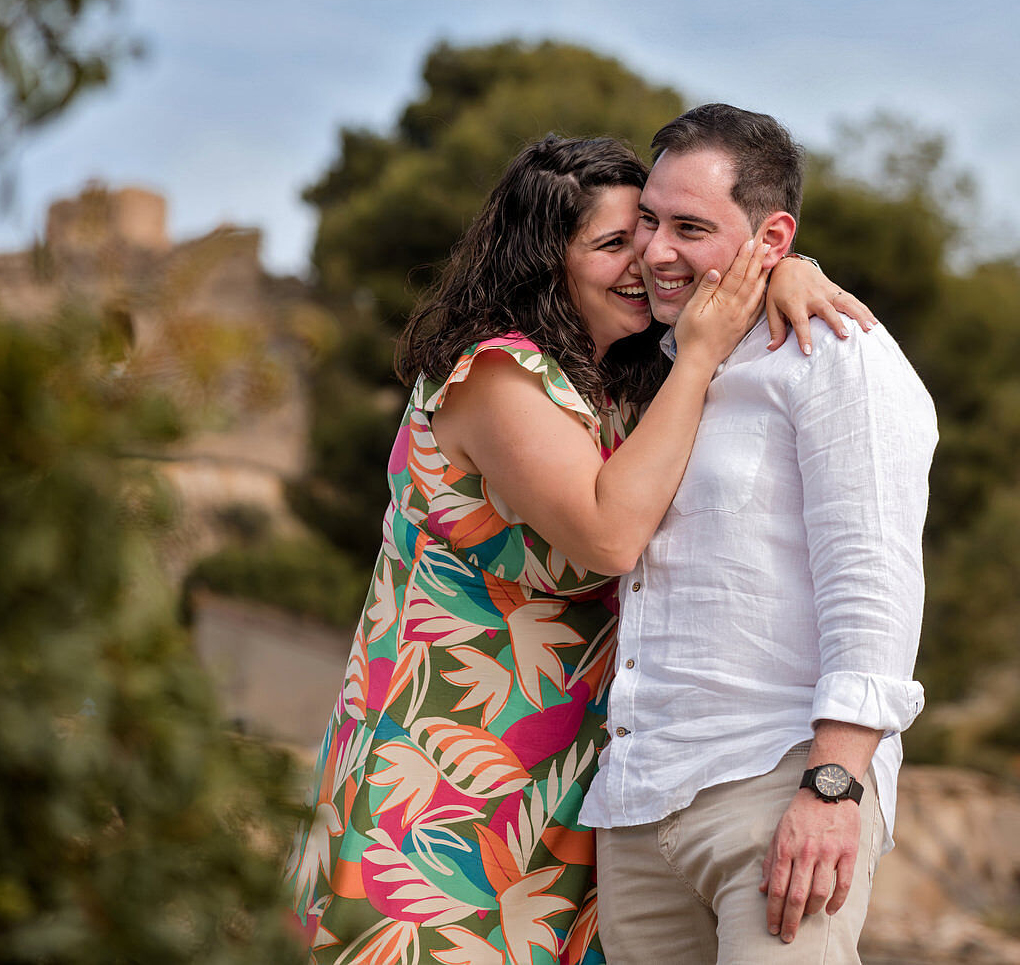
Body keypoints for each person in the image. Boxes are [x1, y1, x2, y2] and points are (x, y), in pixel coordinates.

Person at [282, 133, 874, 965]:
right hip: (442, 788)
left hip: (566, 797)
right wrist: (703, 351)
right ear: (542, 262)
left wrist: (787, 271)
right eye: (612, 244)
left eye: (655, 235)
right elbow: (608, 537)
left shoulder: (615, 391)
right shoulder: (497, 376)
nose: (648, 261)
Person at [582, 104, 937, 964]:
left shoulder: (838, 356)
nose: (658, 252)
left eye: (691, 228)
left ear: (771, 236)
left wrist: (833, 786)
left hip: (777, 786)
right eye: (650, 223)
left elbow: (874, 576)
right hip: (636, 808)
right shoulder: (653, 371)